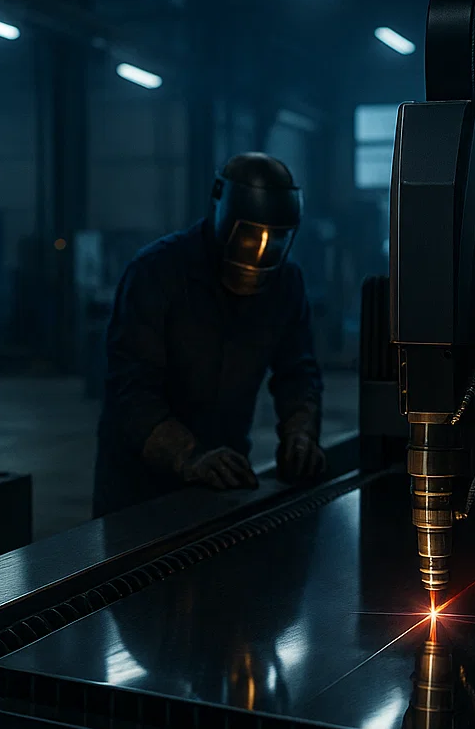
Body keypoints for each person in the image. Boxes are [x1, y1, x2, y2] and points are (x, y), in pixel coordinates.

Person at [94, 153, 325, 518]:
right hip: (139, 493)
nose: (260, 252)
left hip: (224, 482)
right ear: (223, 214)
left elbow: (297, 372)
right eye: (249, 237)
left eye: (274, 240)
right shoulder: (156, 272)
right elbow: (132, 391)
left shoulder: (285, 283)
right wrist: (189, 455)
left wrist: (301, 434)